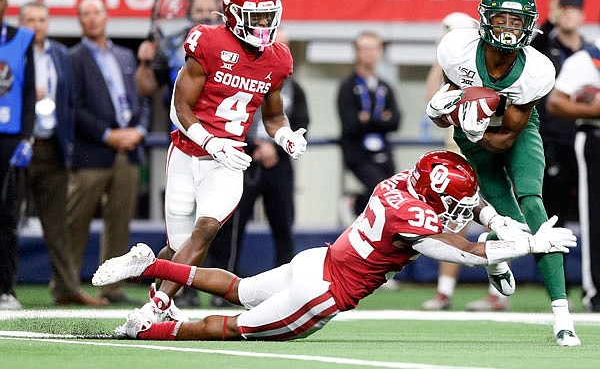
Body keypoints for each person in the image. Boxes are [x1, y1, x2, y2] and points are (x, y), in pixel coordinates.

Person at [92, 150, 577, 342]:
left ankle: (152, 265)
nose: (463, 209)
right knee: (233, 327)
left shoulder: (400, 184)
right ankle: (144, 333)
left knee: (238, 289)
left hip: (317, 260)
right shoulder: (417, 218)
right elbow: (465, 252)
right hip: (323, 293)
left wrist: (500, 224)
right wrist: (531, 243)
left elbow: (460, 213)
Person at [134, 0, 307, 321]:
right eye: (254, 16)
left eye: (267, 16)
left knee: (207, 228)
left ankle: (156, 307)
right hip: (188, 152)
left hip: (229, 160)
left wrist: (286, 135)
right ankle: (146, 269)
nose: (263, 24)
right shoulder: (208, 42)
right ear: (232, 14)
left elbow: (273, 115)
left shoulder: (277, 58)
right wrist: (210, 141)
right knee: (177, 246)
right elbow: (178, 108)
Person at [425, 0, 581, 346]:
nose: (508, 27)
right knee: (511, 222)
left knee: (533, 203)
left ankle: (561, 314)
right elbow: (444, 112)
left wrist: (481, 122)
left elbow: (509, 135)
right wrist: (445, 113)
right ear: (484, 20)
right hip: (471, 136)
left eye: (516, 20)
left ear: (529, 26)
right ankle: (498, 249)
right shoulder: (457, 50)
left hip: (513, 131)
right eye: (502, 18)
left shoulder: (536, 70)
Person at [19, 0, 108, 306]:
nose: (36, 25)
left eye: (41, 19)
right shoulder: (12, 50)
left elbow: (69, 101)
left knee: (58, 225)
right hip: (18, 148)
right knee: (6, 220)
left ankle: (67, 287)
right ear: (21, 23)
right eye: (30, 19)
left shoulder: (59, 54)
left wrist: (67, 144)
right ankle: (5, 289)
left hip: (51, 148)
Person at [136, 0, 222, 308]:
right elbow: (146, 87)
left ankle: (204, 290)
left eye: (209, 10)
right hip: (181, 140)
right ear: (189, 14)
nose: (202, 14)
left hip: (218, 145)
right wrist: (145, 60)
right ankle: (169, 294)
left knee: (210, 225)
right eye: (197, 9)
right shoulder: (172, 47)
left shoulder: (231, 47)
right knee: (180, 231)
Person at [208, 29, 310, 299]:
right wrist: (256, 146)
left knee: (283, 223)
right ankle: (223, 285)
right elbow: (235, 118)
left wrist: (278, 146)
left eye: (287, 47)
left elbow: (301, 122)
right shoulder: (246, 78)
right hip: (245, 158)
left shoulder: (295, 87)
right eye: (279, 45)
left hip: (280, 162)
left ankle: (288, 288)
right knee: (233, 225)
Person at [68, 0, 150, 305]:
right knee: (76, 218)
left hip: (128, 152)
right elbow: (72, 107)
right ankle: (66, 284)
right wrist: (107, 134)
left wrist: (139, 131)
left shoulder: (126, 56)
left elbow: (141, 99)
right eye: (85, 14)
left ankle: (112, 286)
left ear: (106, 16)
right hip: (92, 151)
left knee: (120, 220)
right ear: (80, 21)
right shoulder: (72, 58)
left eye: (96, 12)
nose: (92, 18)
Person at [420, 12, 497, 311]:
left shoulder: (482, 66)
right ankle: (445, 290)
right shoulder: (449, 67)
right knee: (454, 217)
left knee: (498, 216)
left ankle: (499, 294)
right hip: (458, 152)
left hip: (488, 149)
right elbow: (432, 106)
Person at [546, 35, 600, 313]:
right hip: (594, 135)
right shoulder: (587, 58)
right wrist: (593, 108)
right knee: (595, 216)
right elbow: (556, 101)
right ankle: (596, 293)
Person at [531, 0, 586, 229]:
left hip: (581, 138)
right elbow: (529, 53)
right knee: (552, 212)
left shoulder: (589, 53)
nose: (567, 15)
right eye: (564, 10)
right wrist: (550, 19)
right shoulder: (546, 48)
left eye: (573, 10)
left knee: (585, 206)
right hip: (550, 141)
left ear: (582, 16)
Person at [337, 31, 401, 217]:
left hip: (383, 151)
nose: (370, 53)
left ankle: (361, 209)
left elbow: (395, 121)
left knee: (393, 191)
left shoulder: (384, 86)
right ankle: (355, 205)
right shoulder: (348, 87)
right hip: (358, 153)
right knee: (378, 188)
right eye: (365, 49)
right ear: (357, 52)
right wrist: (381, 119)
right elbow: (350, 124)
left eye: (374, 48)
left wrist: (368, 119)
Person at [0, 0, 35, 310]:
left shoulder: (22, 39)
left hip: (9, 138)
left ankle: (6, 289)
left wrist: (26, 137)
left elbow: (27, 94)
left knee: (7, 216)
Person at [136, 0, 221, 104]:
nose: (205, 16)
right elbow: (146, 90)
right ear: (189, 14)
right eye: (199, 11)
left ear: (220, 14)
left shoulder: (234, 45)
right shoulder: (172, 45)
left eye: (211, 11)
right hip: (178, 120)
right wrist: (145, 63)